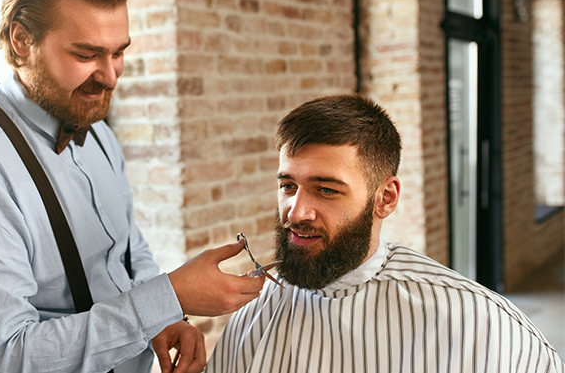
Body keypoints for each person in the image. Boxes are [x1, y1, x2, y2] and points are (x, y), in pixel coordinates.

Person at [0, 0, 265, 372]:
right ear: (21, 40)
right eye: (86, 55)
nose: (110, 77)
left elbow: (130, 252)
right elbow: (5, 359)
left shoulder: (99, 134)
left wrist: (167, 319)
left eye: (118, 54)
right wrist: (167, 298)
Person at [205, 94, 565, 373]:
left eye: (326, 190)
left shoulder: (476, 322)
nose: (296, 212)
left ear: (385, 198)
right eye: (287, 186)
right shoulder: (255, 313)